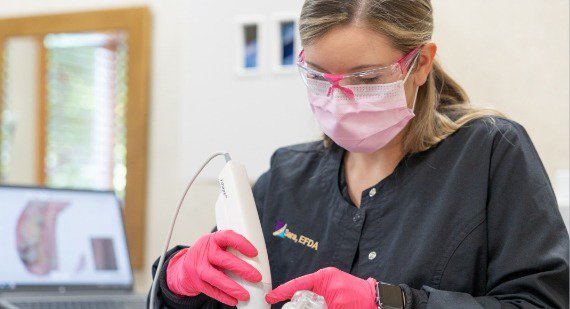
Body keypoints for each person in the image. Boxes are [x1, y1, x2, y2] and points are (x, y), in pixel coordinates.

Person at [149, 0, 569, 308]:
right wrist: (178, 279)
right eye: (318, 76)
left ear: (420, 63)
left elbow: (543, 303)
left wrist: (391, 302)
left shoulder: (491, 154)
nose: (338, 97)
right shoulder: (286, 176)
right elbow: (231, 294)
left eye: (366, 79)